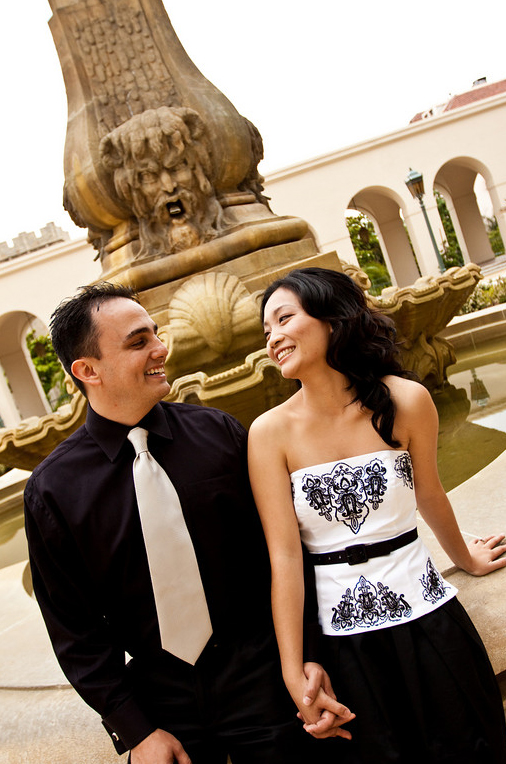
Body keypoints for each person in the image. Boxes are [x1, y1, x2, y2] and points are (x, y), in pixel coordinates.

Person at [23, 281, 351, 764]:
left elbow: (286, 551)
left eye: (155, 334)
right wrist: (136, 730)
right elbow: (74, 629)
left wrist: (307, 653)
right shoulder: (52, 490)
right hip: (161, 704)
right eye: (139, 342)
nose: (161, 348)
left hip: (264, 679)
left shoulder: (220, 434)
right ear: (88, 370)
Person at [248, 266, 506, 763]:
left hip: (432, 621)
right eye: (266, 331)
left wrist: (466, 559)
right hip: (344, 646)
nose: (273, 338)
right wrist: (293, 669)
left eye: (284, 319)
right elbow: (284, 557)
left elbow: (430, 493)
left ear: (332, 318)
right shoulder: (268, 433)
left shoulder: (407, 400)